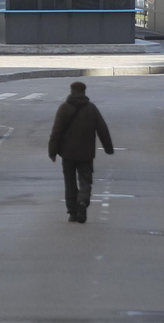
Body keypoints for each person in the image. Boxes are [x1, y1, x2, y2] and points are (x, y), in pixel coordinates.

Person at [47, 81, 114, 224]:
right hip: (86, 153)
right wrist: (108, 148)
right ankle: (82, 201)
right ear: (84, 92)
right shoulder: (91, 109)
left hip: (67, 153)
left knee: (69, 182)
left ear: (71, 91)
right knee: (85, 180)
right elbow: (103, 129)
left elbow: (56, 132)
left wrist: (52, 152)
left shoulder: (64, 109)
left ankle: (72, 212)